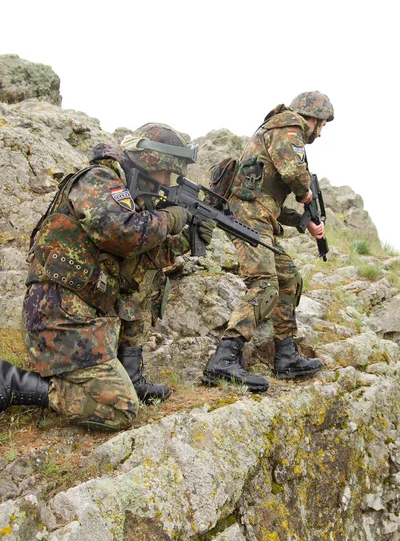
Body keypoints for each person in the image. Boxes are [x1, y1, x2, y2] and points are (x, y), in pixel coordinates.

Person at [0, 123, 215, 431]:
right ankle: (12, 382)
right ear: (149, 162)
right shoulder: (100, 180)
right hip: (58, 318)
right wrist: (170, 218)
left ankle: (131, 376)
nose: (167, 183)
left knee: (146, 283)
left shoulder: (126, 195)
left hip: (79, 314)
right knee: (120, 408)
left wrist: (185, 240)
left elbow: (137, 261)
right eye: (166, 173)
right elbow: (125, 233)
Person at [202, 91, 334, 391]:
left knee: (289, 279)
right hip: (249, 217)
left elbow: (268, 196)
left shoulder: (279, 130)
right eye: (322, 124)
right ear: (312, 117)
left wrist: (305, 221)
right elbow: (293, 171)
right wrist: (305, 194)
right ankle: (223, 360)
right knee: (264, 283)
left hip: (259, 214)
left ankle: (286, 355)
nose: (321, 132)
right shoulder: (289, 125)